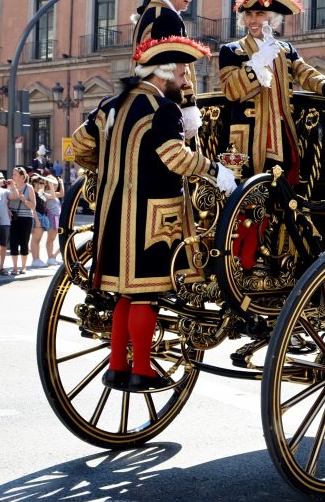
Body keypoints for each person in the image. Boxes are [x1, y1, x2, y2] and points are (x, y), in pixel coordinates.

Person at [73, 35, 236, 392]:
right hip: (151, 220)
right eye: (180, 71)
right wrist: (214, 172)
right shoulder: (163, 109)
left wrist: (104, 166)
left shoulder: (110, 105)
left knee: (125, 295)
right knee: (144, 295)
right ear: (162, 72)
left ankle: (118, 366)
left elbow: (79, 145)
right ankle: (142, 368)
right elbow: (174, 157)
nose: (184, 80)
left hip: (111, 218)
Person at [219, 0, 325, 183]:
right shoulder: (232, 50)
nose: (253, 20)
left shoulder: (285, 50)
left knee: (283, 194)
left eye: (259, 13)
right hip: (249, 139)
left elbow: (306, 74)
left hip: (282, 136)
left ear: (272, 18)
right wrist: (257, 63)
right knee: (250, 197)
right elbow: (230, 90)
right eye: (249, 14)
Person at [7, 166, 36, 275]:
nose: (13, 176)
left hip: (26, 218)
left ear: (22, 177)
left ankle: (23, 267)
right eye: (13, 174)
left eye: (15, 174)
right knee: (13, 243)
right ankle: (14, 268)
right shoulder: (10, 187)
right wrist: (7, 209)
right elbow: (7, 201)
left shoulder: (29, 188)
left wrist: (24, 200)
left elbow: (33, 206)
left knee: (24, 242)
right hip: (13, 218)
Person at [43, 175, 63, 266]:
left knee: (54, 239)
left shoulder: (53, 193)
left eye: (55, 184)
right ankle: (50, 258)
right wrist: (51, 185)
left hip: (57, 217)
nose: (55, 186)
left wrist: (61, 183)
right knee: (50, 239)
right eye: (53, 184)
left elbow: (62, 193)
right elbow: (52, 195)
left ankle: (53, 256)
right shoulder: (45, 192)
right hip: (51, 217)